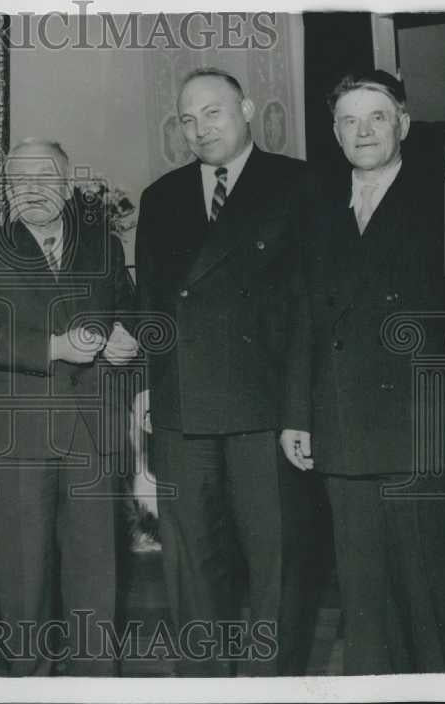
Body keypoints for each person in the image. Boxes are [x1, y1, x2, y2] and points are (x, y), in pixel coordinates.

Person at [282, 70, 445, 674]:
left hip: (421, 423)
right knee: (363, 596)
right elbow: (303, 317)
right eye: (349, 120)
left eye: (376, 117)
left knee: (432, 591)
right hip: (342, 423)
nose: (363, 131)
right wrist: (297, 414)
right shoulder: (317, 210)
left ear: (403, 123)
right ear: (335, 133)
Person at [133, 67, 315, 676]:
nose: (200, 129)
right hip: (183, 410)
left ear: (247, 110)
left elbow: (311, 308)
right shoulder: (161, 197)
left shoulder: (298, 183)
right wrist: (151, 391)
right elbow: (153, 306)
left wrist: (300, 411)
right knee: (191, 570)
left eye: (213, 112)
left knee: (276, 568)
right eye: (187, 119)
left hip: (267, 411)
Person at [0, 138, 139, 676]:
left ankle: (96, 685)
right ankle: (30, 685)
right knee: (23, 578)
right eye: (19, 180)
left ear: (66, 184)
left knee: (96, 577)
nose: (32, 189)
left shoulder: (103, 247)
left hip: (93, 433)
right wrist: (53, 347)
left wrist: (126, 338)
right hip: (19, 439)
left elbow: (128, 312)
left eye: (44, 177)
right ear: (7, 191)